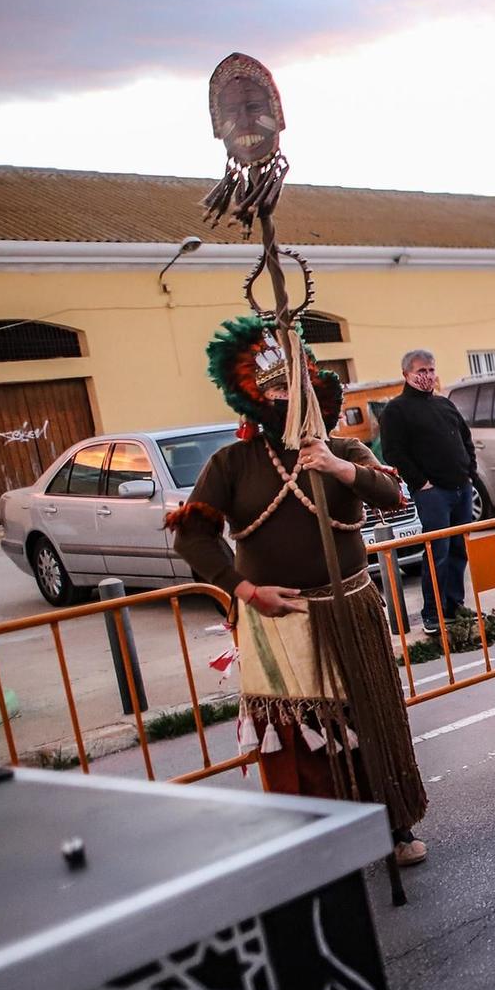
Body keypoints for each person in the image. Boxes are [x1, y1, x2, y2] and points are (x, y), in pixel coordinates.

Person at [170, 317, 429, 865]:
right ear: (254, 399)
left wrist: (337, 467)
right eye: (274, 389)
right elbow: (193, 534)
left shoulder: (346, 451)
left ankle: (394, 827)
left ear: (314, 394)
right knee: (296, 735)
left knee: (371, 723)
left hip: (350, 610)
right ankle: (316, 841)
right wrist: (245, 590)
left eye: (296, 387)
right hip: (277, 622)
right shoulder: (232, 463)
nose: (287, 397)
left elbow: (394, 494)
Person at [376, 347, 475, 637]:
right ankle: (432, 613)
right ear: (406, 374)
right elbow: (395, 452)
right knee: (437, 553)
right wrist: (421, 483)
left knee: (459, 550)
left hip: (461, 488)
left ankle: (454, 606)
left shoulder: (444, 405)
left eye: (431, 370)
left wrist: (469, 471)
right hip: (433, 494)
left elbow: (465, 438)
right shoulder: (396, 411)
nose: (428, 376)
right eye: (421, 371)